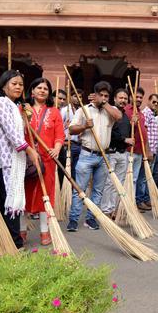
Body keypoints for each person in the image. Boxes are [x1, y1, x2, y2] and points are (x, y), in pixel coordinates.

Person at [0, 70, 38, 248]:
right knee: (8, 205)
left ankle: (11, 244)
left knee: (13, 203)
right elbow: (12, 133)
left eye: (20, 84)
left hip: (14, 162)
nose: (18, 87)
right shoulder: (1, 103)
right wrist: (30, 151)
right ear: (3, 85)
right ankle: (12, 245)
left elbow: (19, 130)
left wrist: (27, 117)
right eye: (14, 83)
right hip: (4, 162)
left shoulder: (14, 105)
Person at [68, 81, 121, 231]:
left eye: (106, 96)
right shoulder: (84, 110)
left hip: (103, 156)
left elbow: (119, 116)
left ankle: (91, 219)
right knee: (80, 189)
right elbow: (71, 130)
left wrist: (104, 104)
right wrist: (84, 126)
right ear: (95, 95)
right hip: (86, 154)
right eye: (101, 95)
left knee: (98, 191)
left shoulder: (110, 110)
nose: (103, 98)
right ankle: (73, 219)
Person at [24, 77, 63, 246]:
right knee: (23, 194)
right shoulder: (23, 110)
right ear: (32, 91)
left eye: (45, 89)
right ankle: (21, 230)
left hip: (48, 159)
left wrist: (56, 149)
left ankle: (44, 231)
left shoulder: (54, 112)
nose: (42, 90)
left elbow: (60, 135)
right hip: (26, 158)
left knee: (45, 195)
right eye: (38, 87)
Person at [101, 88, 133, 216]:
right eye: (121, 98)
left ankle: (113, 208)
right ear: (114, 99)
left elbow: (129, 134)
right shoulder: (110, 113)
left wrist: (132, 124)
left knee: (119, 183)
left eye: (125, 98)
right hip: (111, 153)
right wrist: (125, 139)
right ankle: (105, 209)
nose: (123, 100)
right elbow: (110, 133)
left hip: (123, 153)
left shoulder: (125, 116)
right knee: (109, 182)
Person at [127, 87, 150, 211]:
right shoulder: (126, 111)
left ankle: (132, 204)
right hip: (129, 151)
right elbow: (124, 129)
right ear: (131, 97)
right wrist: (132, 123)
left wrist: (146, 150)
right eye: (137, 96)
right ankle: (125, 204)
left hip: (139, 152)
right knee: (128, 178)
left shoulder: (141, 114)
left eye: (141, 97)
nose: (139, 99)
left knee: (135, 179)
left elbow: (143, 132)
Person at [138, 91, 158, 211]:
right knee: (143, 177)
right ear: (148, 101)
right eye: (154, 102)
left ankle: (146, 199)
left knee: (148, 176)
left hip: (153, 148)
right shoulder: (146, 113)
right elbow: (144, 133)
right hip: (147, 150)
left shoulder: (153, 114)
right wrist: (148, 151)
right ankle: (140, 199)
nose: (155, 104)